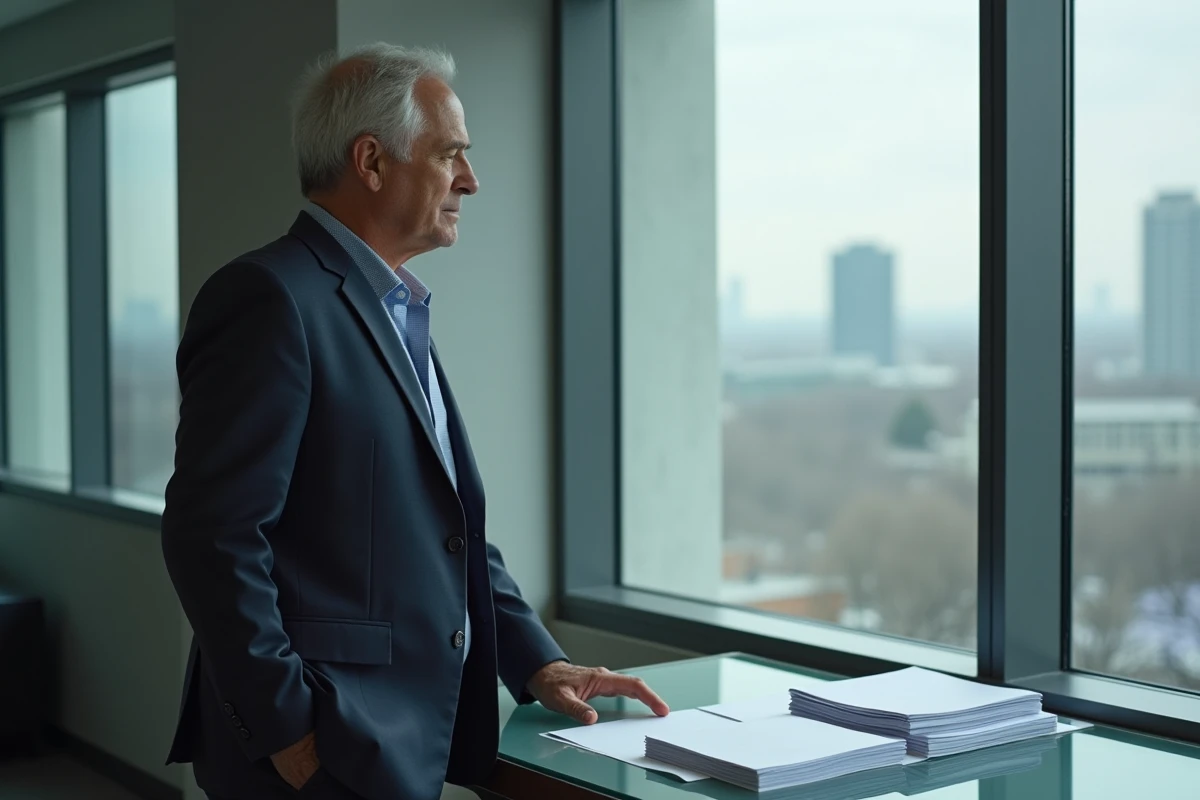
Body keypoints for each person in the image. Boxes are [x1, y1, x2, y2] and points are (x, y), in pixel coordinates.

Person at [160, 43, 668, 800]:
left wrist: (537, 662)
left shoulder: (395, 307)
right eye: (449, 154)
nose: (470, 179)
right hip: (318, 747)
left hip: (389, 741)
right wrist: (290, 731)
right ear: (371, 161)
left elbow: (444, 528)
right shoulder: (269, 299)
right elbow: (213, 538)